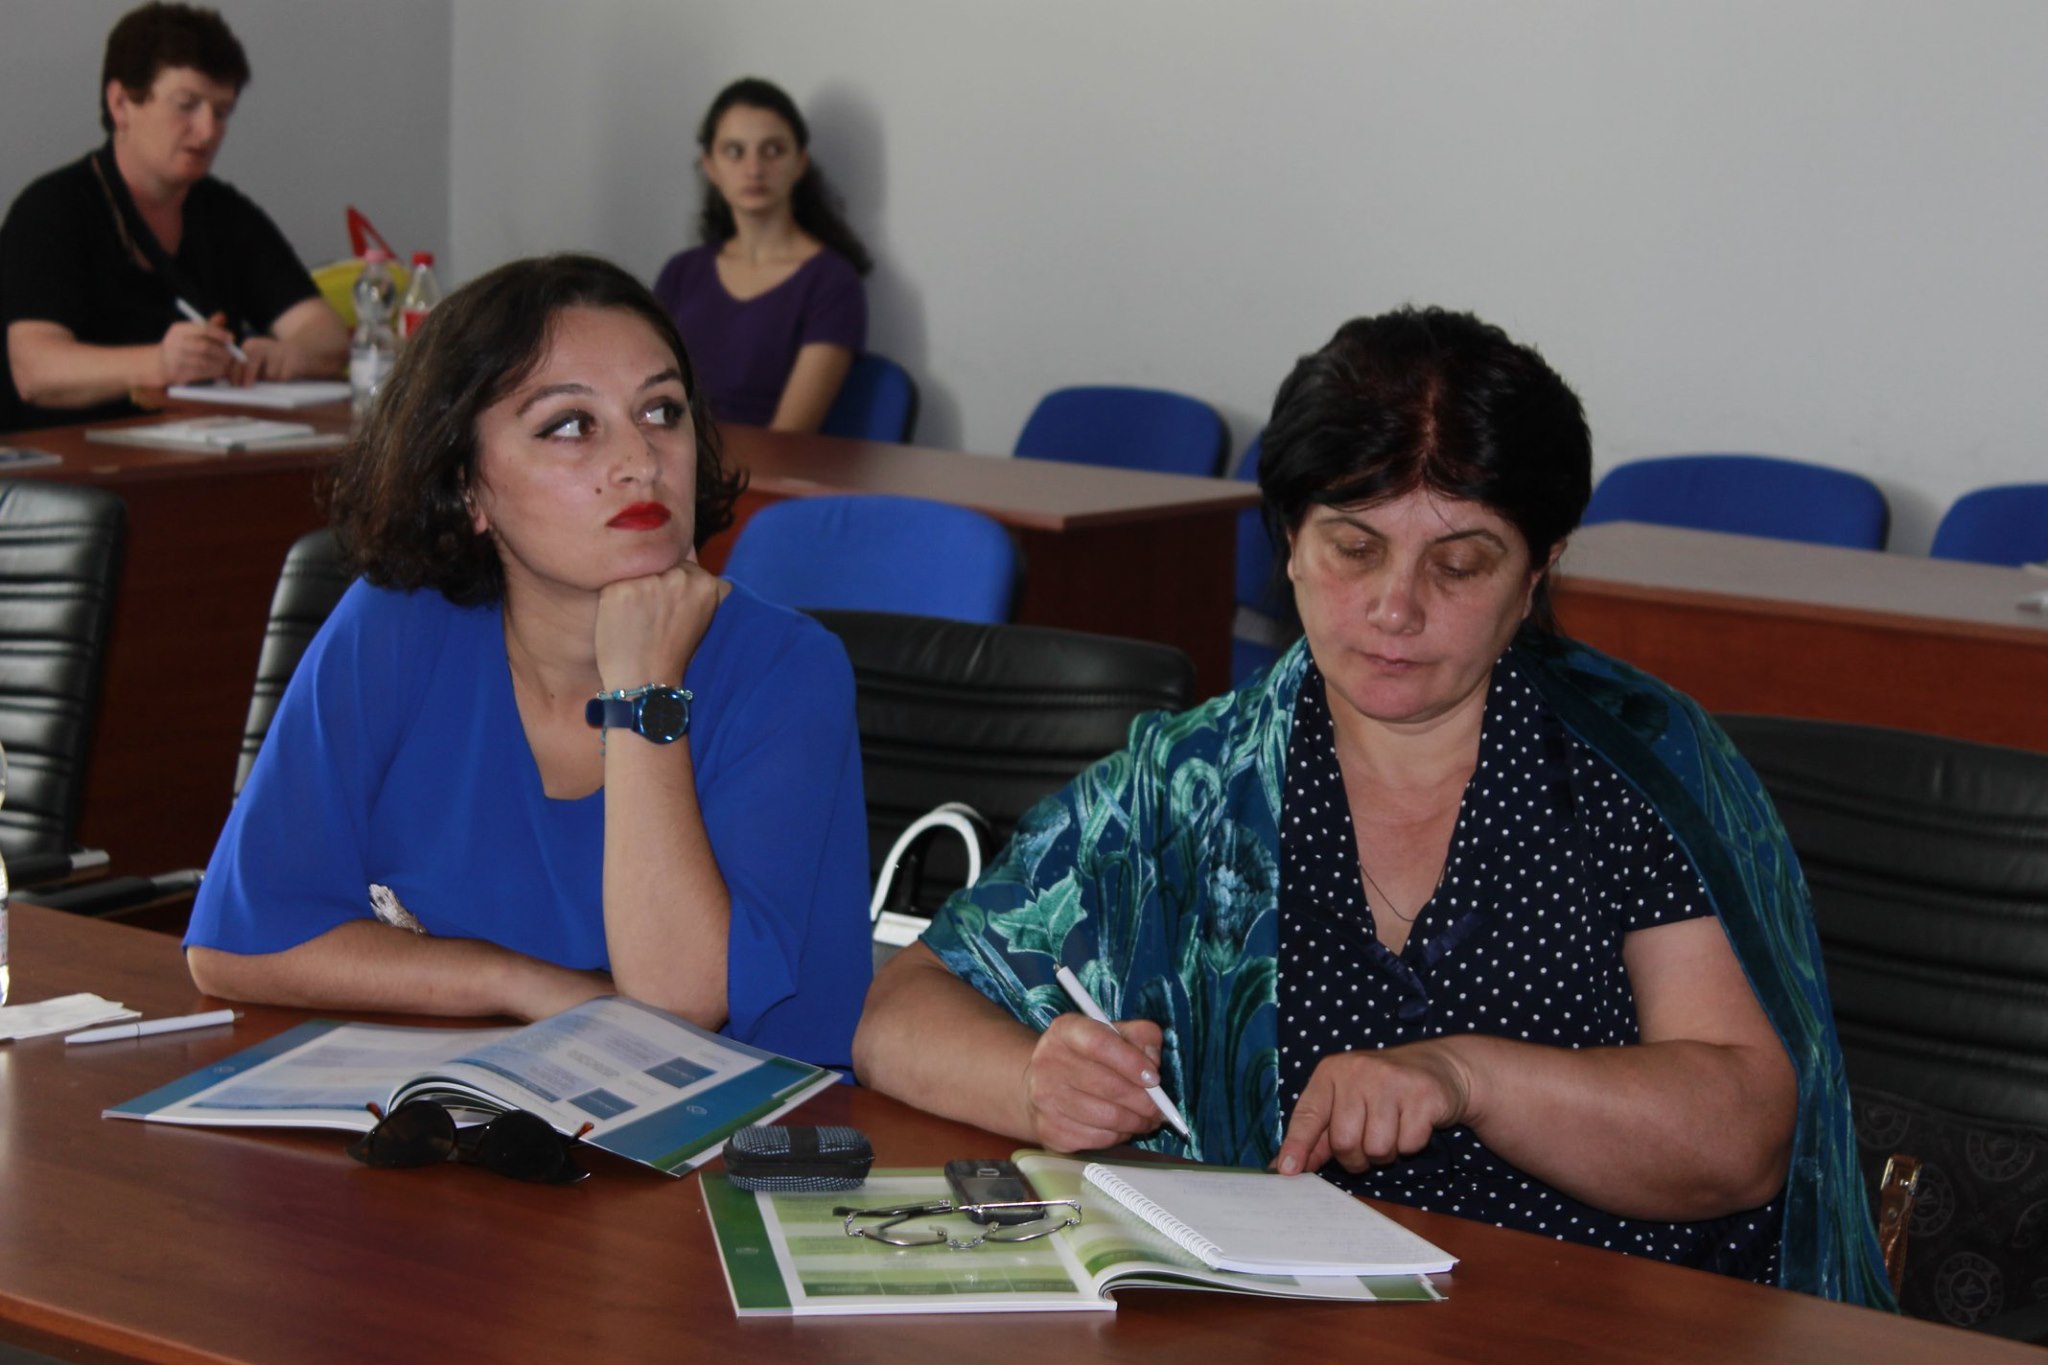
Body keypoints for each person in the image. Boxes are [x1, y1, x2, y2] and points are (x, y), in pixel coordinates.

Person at [853, 308, 1892, 1304]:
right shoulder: (1188, 783)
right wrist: (1034, 1083)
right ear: (1289, 545)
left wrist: (1465, 1078)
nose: (1397, 608)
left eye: (1460, 563)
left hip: (1603, 1314)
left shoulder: (1638, 767)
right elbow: (900, 1013)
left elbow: (1742, 1139)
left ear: (1537, 571)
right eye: (1354, 549)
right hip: (1281, 1313)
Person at [184, 253, 872, 1070]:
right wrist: (519, 982)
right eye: (571, 425)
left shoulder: (786, 668)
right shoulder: (398, 624)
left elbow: (676, 1005)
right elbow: (235, 942)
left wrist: (644, 690)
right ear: (467, 487)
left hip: (742, 1132)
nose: (641, 460)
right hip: (494, 1103)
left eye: (662, 411)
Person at [0, 2, 348, 433]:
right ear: (121, 103)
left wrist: (288, 355)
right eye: (187, 105)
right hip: (71, 460)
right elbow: (35, 371)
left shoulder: (224, 211)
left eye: (221, 112)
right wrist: (160, 363)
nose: (208, 131)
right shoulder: (51, 209)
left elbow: (324, 331)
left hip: (203, 452)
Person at [652, 77, 870, 433]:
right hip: (673, 458)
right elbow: (648, 399)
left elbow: (790, 434)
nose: (754, 169)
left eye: (773, 150)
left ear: (800, 163)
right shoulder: (681, 273)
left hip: (767, 465)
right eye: (735, 151)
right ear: (710, 166)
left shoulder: (832, 282)